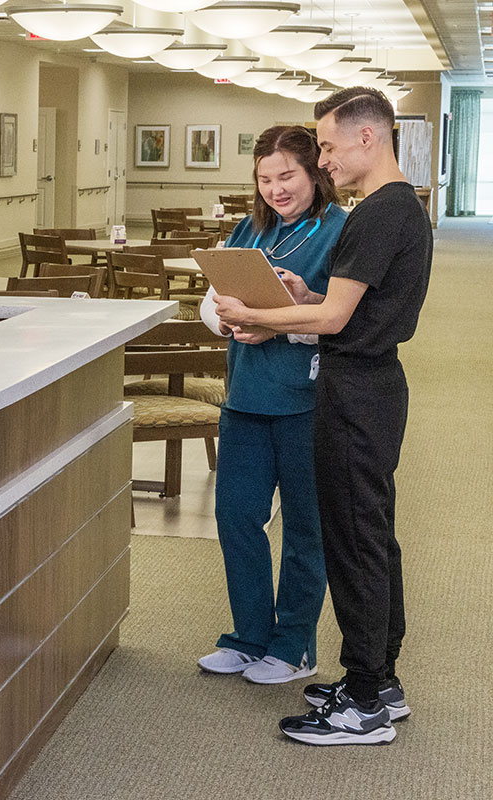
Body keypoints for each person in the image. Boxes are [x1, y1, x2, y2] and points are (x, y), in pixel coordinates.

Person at [215, 87, 432, 746]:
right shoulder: (397, 207)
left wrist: (256, 313)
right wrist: (305, 296)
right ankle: (379, 681)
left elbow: (336, 320)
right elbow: (344, 306)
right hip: (367, 385)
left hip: (357, 393)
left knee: (356, 544)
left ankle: (363, 701)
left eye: (329, 146)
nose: (326, 159)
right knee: (371, 539)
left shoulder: (376, 214)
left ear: (368, 137)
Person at [196, 126, 346, 685]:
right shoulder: (250, 228)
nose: (275, 189)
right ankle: (249, 636)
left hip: (306, 401)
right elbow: (210, 306)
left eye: (287, 176)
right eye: (264, 179)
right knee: (236, 517)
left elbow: (344, 320)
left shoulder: (339, 231)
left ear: (314, 173)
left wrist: (277, 322)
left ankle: (294, 646)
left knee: (305, 528)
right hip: (245, 397)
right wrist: (231, 323)